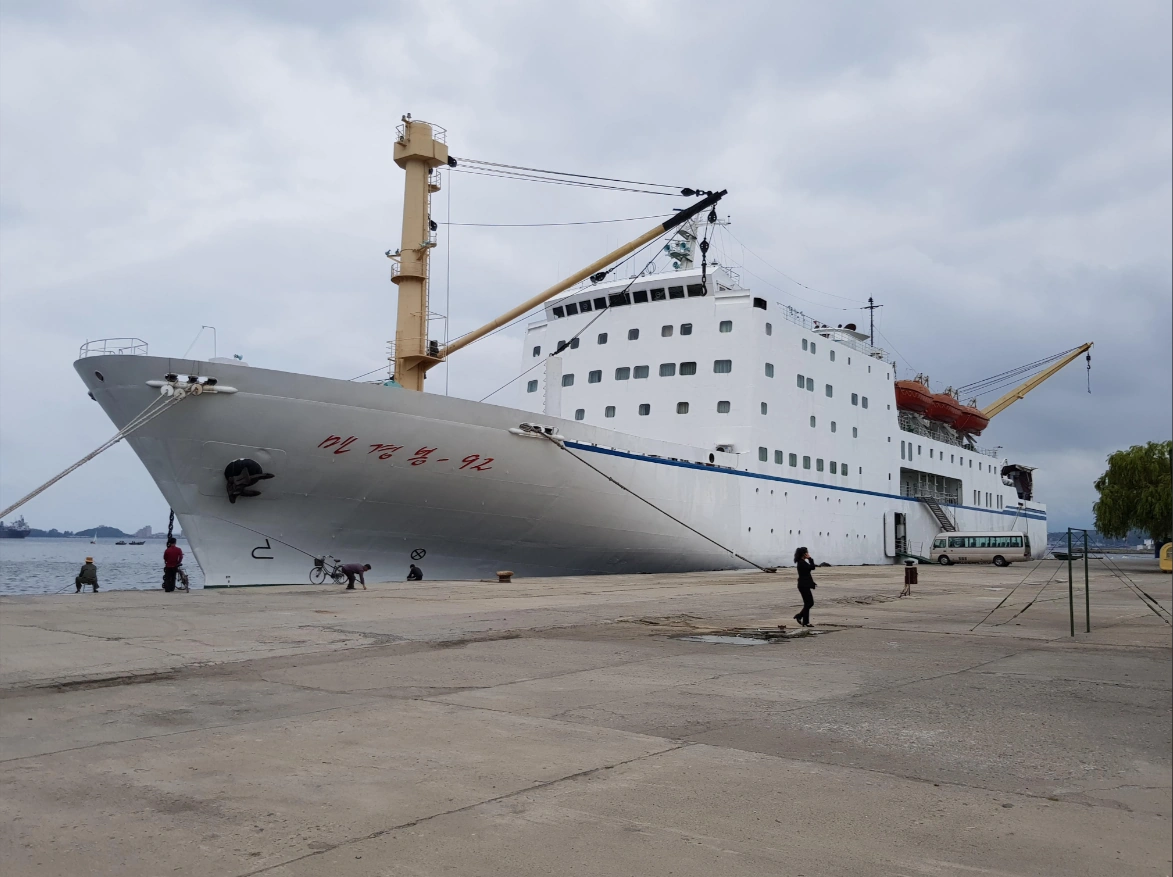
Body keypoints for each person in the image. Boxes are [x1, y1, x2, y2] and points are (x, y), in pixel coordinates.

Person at [793, 546, 816, 627]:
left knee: (809, 603)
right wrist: (810, 559)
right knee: (809, 603)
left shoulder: (802, 562)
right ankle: (804, 621)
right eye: (806, 552)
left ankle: (800, 617)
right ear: (803, 554)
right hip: (803, 585)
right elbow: (812, 567)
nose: (808, 554)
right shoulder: (801, 563)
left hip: (804, 585)